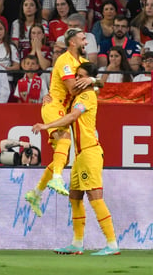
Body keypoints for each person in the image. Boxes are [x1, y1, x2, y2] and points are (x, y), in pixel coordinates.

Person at [32, 62, 121, 256]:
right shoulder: (79, 96)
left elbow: (72, 117)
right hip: (80, 155)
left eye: (81, 76)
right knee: (75, 196)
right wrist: (50, 100)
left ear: (88, 79)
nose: (77, 79)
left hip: (90, 152)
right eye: (77, 76)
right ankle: (77, 243)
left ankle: (112, 243)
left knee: (95, 197)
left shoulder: (87, 96)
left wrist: (47, 126)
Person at [24, 28, 94, 216]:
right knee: (65, 138)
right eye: (83, 39)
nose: (86, 42)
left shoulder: (84, 62)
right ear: (72, 42)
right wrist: (89, 83)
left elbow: (98, 84)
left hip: (64, 108)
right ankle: (56, 178)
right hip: (54, 105)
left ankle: (36, 193)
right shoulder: (64, 60)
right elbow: (73, 89)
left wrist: (92, 80)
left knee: (60, 156)